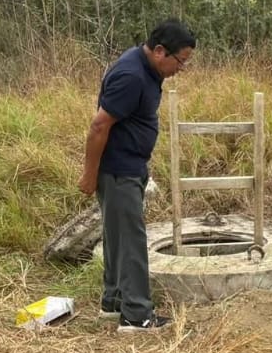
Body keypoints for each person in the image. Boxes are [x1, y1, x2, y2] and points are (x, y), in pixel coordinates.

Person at [78, 20, 196, 332]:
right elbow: (99, 126)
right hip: (119, 171)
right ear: (160, 51)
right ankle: (136, 315)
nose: (181, 68)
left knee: (117, 237)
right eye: (180, 60)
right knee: (131, 241)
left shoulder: (145, 70)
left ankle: (114, 301)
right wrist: (89, 175)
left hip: (127, 168)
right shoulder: (131, 75)